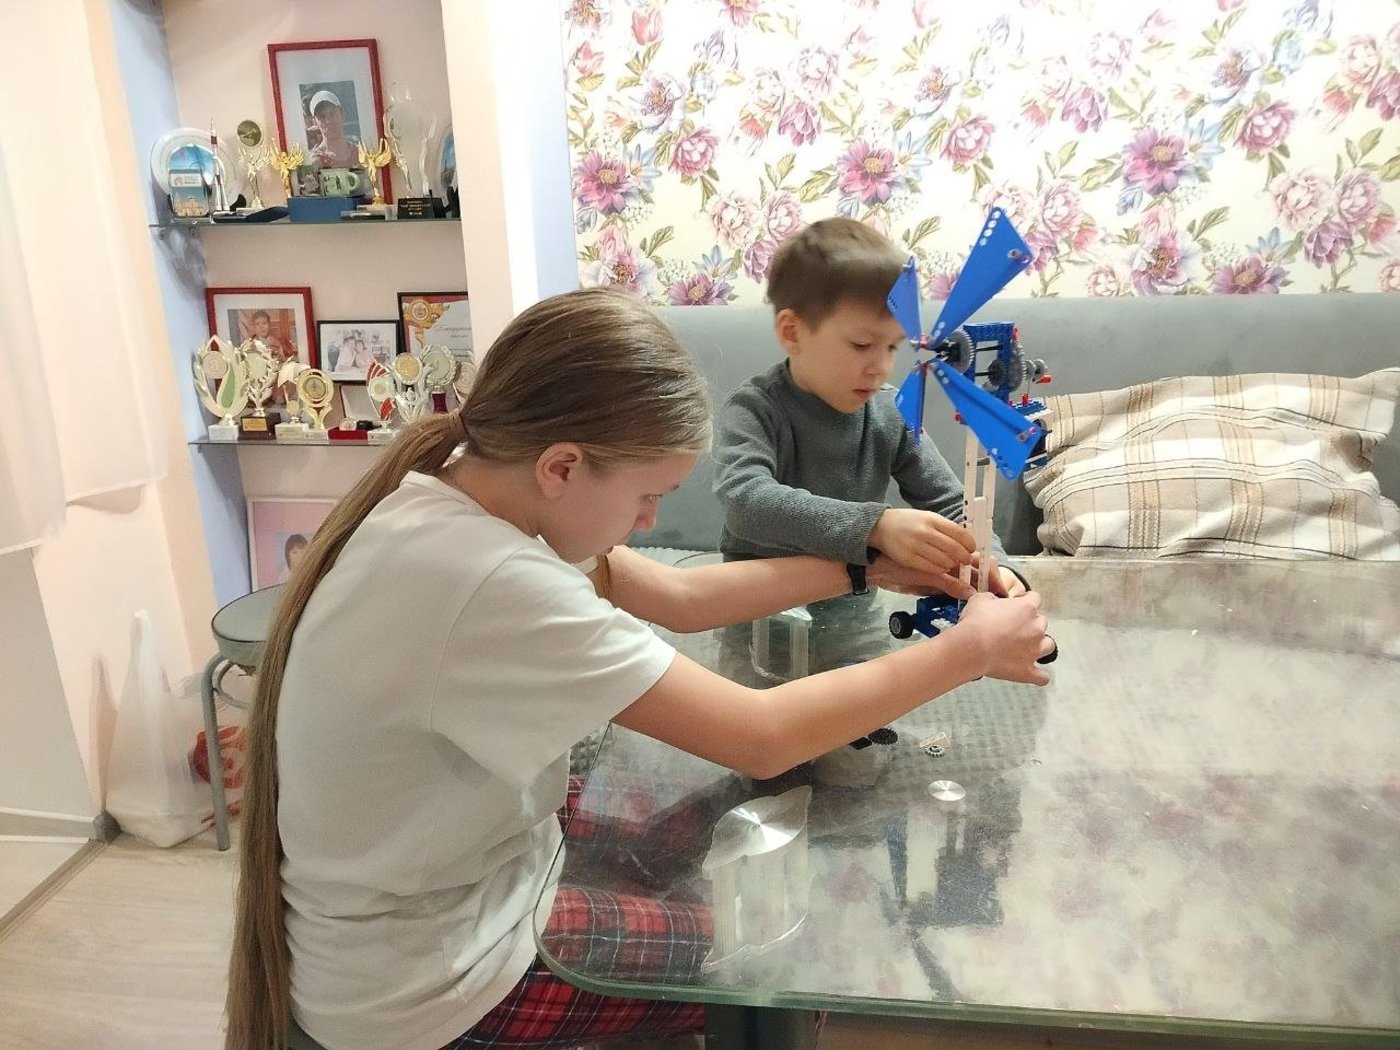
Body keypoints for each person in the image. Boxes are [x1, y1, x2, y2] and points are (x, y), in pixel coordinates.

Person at [225, 288, 1052, 1050]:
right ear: (562, 465)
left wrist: (866, 565)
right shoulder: (492, 580)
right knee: (782, 949)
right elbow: (760, 733)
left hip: (434, 898)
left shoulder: (460, 493)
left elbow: (682, 597)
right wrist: (970, 651)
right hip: (430, 982)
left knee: (717, 821)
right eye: (648, 495)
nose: (652, 520)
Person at [713, 217, 1025, 595]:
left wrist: (997, 565)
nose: (881, 367)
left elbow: (951, 503)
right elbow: (745, 503)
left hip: (854, 605)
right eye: (861, 344)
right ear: (793, 333)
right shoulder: (753, 409)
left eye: (892, 346)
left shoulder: (890, 410)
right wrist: (877, 527)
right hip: (758, 605)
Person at [306, 89, 359, 169]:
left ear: (342, 113)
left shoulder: (360, 153)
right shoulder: (314, 162)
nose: (328, 121)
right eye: (321, 116)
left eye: (332, 113)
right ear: (315, 122)